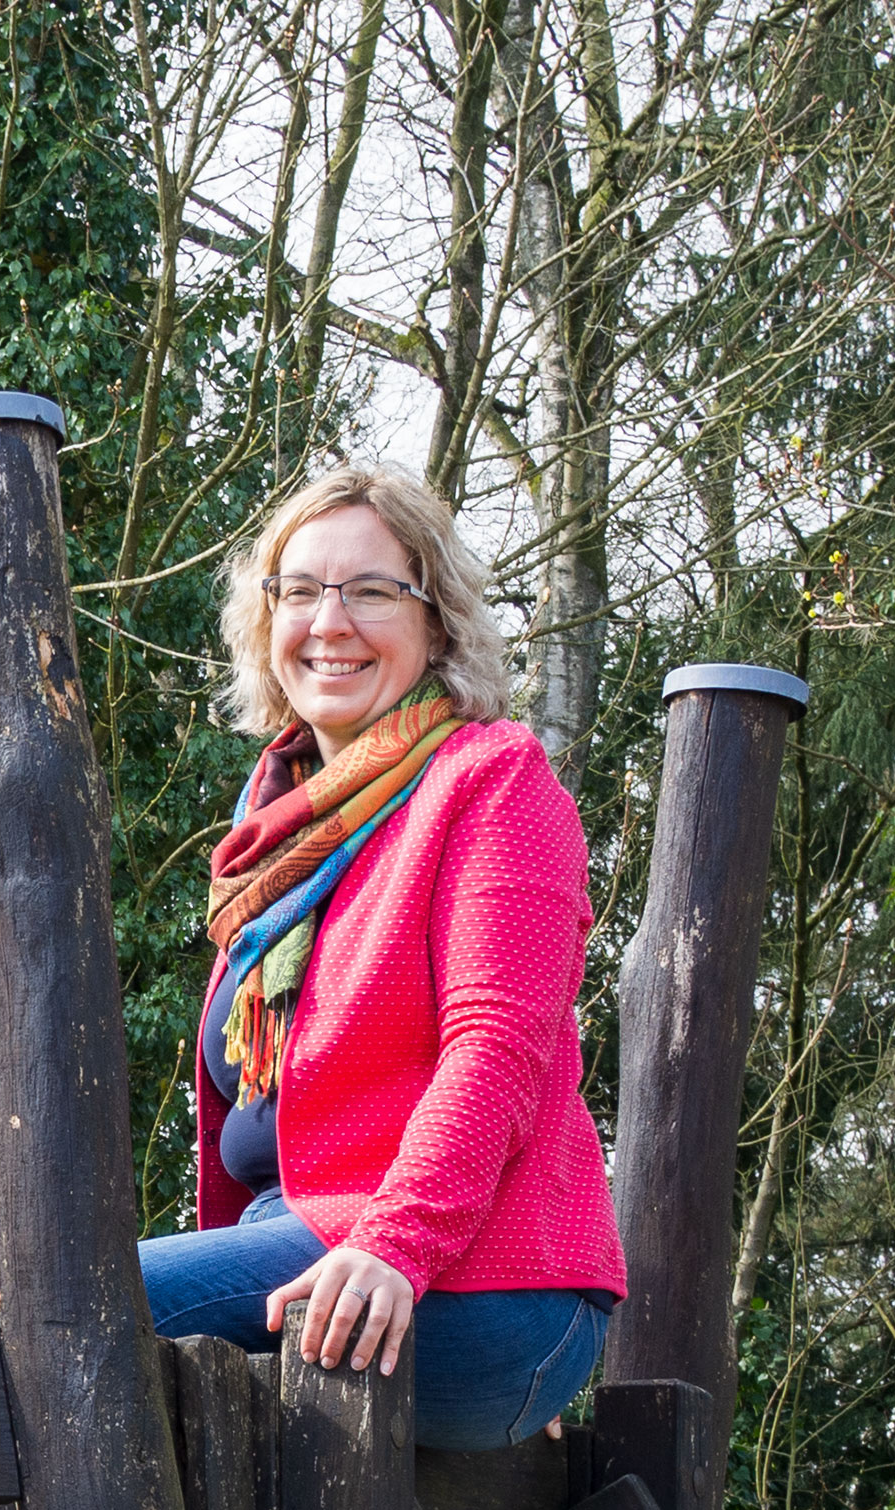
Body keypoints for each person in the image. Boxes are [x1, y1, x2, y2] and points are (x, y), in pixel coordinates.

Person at [138, 463, 626, 1444]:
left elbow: (497, 1051)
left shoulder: (493, 782)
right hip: (295, 1249)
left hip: (478, 1278)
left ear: (436, 621)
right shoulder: (272, 844)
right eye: (300, 591)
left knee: (67, 1309)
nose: (331, 621)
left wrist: (396, 1244)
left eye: (371, 591)